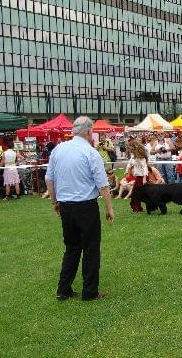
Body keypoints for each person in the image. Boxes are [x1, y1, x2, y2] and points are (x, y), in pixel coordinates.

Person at [45, 116, 114, 301]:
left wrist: (55, 202)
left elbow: (49, 179)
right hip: (86, 206)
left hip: (66, 206)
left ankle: (63, 289)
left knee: (72, 248)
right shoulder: (90, 153)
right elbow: (103, 185)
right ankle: (90, 292)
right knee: (91, 249)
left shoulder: (58, 149)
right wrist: (109, 208)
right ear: (90, 132)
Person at [128, 142, 148, 212]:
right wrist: (128, 169)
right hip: (138, 177)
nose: (130, 150)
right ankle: (137, 208)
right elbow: (130, 162)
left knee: (137, 193)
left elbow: (145, 167)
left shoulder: (141, 158)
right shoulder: (133, 157)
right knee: (137, 193)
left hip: (142, 178)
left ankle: (137, 208)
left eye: (131, 149)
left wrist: (144, 178)